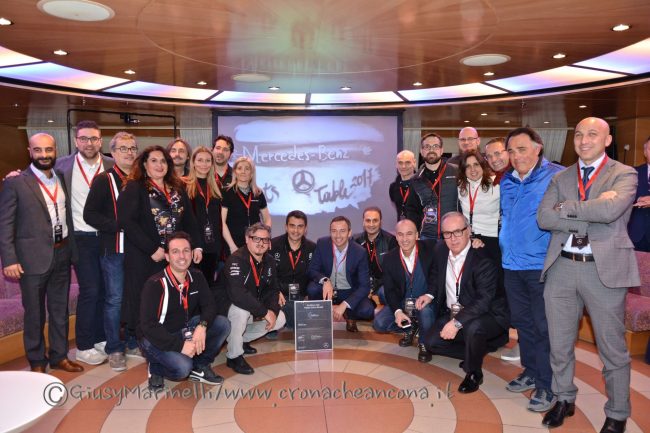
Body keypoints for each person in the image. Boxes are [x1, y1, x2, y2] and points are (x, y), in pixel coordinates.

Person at [538, 117, 639, 433]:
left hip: (604, 270)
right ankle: (563, 398)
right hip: (562, 267)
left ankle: (617, 413)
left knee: (612, 349)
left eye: (592, 134)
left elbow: (611, 211)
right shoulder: (561, 177)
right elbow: (544, 218)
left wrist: (566, 208)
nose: (584, 140)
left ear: (607, 140)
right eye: (579, 134)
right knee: (559, 343)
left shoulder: (624, 174)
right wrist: (590, 210)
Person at [0, 133, 84, 373]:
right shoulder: (16, 182)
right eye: (38, 150)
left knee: (59, 310)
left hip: (62, 253)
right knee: (34, 314)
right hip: (31, 260)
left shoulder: (61, 177)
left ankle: (59, 356)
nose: (44, 155)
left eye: (48, 150)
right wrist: (9, 259)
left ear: (55, 150)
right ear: (30, 151)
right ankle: (37, 361)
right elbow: (5, 223)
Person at [499, 127, 563, 412]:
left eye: (522, 149)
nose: (516, 156)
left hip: (541, 266)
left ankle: (547, 385)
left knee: (543, 327)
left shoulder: (557, 176)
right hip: (511, 265)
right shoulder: (507, 180)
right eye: (511, 151)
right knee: (523, 324)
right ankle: (532, 371)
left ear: (538, 148)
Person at [117, 145, 202, 357]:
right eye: (154, 160)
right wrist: (152, 249)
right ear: (144, 164)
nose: (159, 165)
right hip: (145, 256)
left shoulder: (177, 188)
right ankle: (143, 343)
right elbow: (127, 222)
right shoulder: (134, 187)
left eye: (163, 161)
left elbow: (190, 220)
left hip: (174, 257)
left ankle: (168, 338)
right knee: (145, 300)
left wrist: (196, 246)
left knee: (170, 299)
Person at [418, 212, 509, 393]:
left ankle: (474, 372)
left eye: (458, 231)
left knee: (473, 327)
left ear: (469, 231)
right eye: (447, 233)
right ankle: (479, 347)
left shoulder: (483, 259)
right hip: (454, 311)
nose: (453, 238)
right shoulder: (440, 250)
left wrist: (456, 323)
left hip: (487, 314)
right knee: (430, 342)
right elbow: (435, 275)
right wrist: (429, 294)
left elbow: (483, 301)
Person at [139, 232, 230, 390]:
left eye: (186, 250)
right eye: (175, 251)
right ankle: (156, 368)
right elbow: (148, 326)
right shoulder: (155, 284)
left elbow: (210, 305)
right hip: (157, 337)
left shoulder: (197, 276)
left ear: (192, 253)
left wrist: (202, 326)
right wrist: (180, 346)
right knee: (182, 369)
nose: (182, 256)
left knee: (223, 324)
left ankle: (200, 366)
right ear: (167, 256)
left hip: (185, 328)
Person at [56, 120, 114, 366]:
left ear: (100, 141)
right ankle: (84, 345)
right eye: (84, 138)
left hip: (108, 236)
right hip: (80, 237)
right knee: (90, 290)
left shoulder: (111, 164)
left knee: (105, 290)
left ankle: (100, 338)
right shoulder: (61, 166)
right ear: (76, 141)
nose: (89, 143)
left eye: (93, 139)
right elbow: (35, 176)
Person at [83, 132, 137, 371]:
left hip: (138, 251)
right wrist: (118, 226)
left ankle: (134, 341)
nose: (129, 153)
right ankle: (114, 348)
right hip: (114, 249)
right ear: (113, 153)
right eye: (123, 148)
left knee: (135, 297)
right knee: (114, 300)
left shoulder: (141, 180)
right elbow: (89, 214)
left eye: (132, 148)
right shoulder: (103, 180)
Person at [213, 223, 286, 375]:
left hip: (252, 303)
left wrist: (272, 311)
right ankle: (234, 356)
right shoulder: (236, 259)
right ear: (247, 239)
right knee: (241, 312)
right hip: (228, 305)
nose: (261, 243)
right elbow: (237, 294)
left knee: (280, 319)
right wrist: (264, 312)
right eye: (256, 238)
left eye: (265, 240)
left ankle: (241, 340)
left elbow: (273, 289)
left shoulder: (270, 260)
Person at [373, 219, 437, 363]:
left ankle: (424, 342)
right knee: (379, 324)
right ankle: (411, 327)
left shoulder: (430, 248)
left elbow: (453, 242)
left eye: (409, 234)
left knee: (426, 313)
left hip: (426, 302)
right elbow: (389, 290)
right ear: (396, 237)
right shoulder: (389, 258)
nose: (404, 239)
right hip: (404, 302)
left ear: (417, 235)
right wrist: (397, 311)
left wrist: (429, 295)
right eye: (400, 234)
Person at [307, 216, 374, 332]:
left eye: (342, 231)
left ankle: (349, 313)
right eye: (334, 231)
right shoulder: (322, 243)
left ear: (349, 233)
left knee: (367, 310)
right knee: (312, 289)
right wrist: (325, 280)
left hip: (348, 291)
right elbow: (312, 270)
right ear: (330, 232)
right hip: (328, 290)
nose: (338, 235)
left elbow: (365, 286)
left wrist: (344, 304)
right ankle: (320, 317)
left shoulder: (359, 252)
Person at [484, 136, 518, 362]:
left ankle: (524, 344)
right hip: (499, 245)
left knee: (519, 298)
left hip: (520, 249)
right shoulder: (495, 179)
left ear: (508, 152)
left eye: (498, 153)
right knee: (501, 294)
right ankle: (500, 336)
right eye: (489, 156)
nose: (494, 159)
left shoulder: (518, 176)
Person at [406, 133, 458, 240]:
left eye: (435, 146)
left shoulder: (456, 172)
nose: (431, 150)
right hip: (426, 236)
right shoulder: (415, 180)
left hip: (453, 234)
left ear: (441, 150)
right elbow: (412, 211)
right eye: (427, 147)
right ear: (421, 151)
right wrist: (415, 231)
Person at [269, 210, 316, 331]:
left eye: (300, 226)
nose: (296, 230)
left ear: (305, 229)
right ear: (286, 227)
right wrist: (275, 291)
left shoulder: (312, 248)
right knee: (294, 317)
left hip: (301, 295)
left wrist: (309, 295)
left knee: (304, 320)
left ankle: (283, 320)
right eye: (292, 226)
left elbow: (315, 273)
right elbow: (266, 273)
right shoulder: (272, 245)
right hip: (280, 294)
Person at [183, 146, 223, 284]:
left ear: (212, 163)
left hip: (212, 244)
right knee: (192, 285)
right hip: (193, 244)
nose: (204, 164)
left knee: (208, 285)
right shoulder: (183, 184)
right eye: (200, 160)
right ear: (193, 162)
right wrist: (194, 244)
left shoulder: (216, 185)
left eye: (207, 160)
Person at [456, 151, 501, 269]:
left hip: (492, 239)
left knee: (493, 275)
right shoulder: (460, 186)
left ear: (483, 165)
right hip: (470, 239)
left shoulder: (496, 184)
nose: (473, 169)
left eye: (476, 164)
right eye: (468, 166)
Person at [221, 156, 271, 253]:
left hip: (256, 243)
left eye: (247, 168)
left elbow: (267, 219)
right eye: (239, 168)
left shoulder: (258, 193)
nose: (243, 171)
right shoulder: (227, 192)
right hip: (234, 244)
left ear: (252, 173)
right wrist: (232, 246)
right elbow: (222, 222)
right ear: (235, 171)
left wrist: (265, 237)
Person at [353, 206, 397, 301]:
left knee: (385, 294)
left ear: (380, 222)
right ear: (363, 222)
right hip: (362, 285)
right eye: (368, 220)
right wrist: (364, 287)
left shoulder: (391, 241)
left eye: (375, 220)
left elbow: (393, 272)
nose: (371, 224)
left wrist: (374, 287)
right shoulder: (355, 241)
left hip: (383, 285)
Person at [628, 136, 650, 252]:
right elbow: (623, 195)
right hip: (637, 234)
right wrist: (639, 198)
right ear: (645, 152)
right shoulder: (633, 172)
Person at [389, 150, 417, 221]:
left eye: (407, 163)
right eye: (400, 163)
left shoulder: (422, 185)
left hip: (419, 227)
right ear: (396, 164)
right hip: (401, 226)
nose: (403, 166)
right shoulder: (393, 187)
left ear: (414, 163)